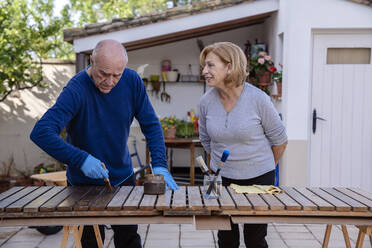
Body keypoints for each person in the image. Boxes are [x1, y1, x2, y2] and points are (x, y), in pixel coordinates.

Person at [30, 39, 179, 248]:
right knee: (90, 242)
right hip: (83, 184)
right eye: (103, 74)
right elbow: (41, 132)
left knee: (128, 240)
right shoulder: (76, 89)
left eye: (116, 75)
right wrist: (81, 159)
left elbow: (152, 125)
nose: (110, 81)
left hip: (123, 177)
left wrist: (160, 164)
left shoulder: (132, 81)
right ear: (92, 61)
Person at [199, 42, 287, 248]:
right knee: (226, 239)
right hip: (221, 179)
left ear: (229, 67)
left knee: (255, 239)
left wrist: (262, 167)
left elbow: (280, 140)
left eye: (210, 65)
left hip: (258, 179)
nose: (205, 71)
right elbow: (206, 140)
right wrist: (221, 167)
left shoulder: (258, 99)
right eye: (204, 66)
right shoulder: (205, 102)